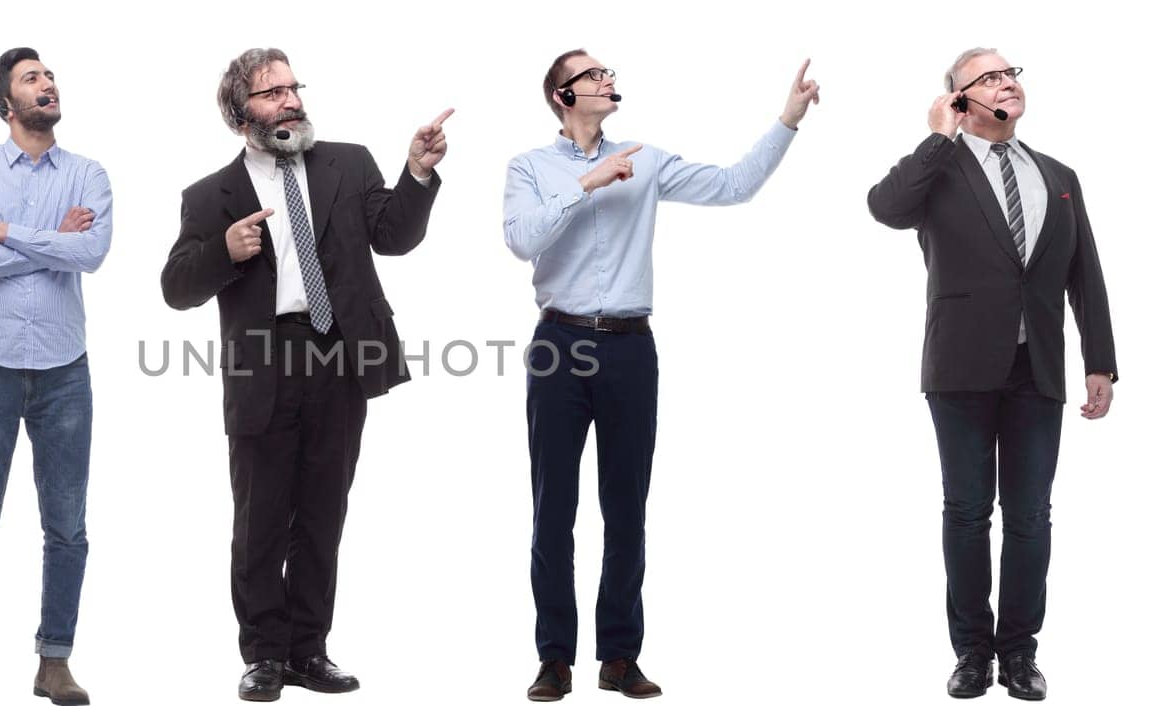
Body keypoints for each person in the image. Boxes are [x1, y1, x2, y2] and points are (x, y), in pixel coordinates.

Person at [504, 49, 819, 701]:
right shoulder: (528, 168)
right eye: (594, 75)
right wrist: (587, 184)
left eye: (608, 72)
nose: (608, 80)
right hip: (558, 343)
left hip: (628, 348)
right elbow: (521, 239)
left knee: (626, 509)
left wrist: (786, 121)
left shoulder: (646, 159)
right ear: (563, 96)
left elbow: (733, 185)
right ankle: (554, 658)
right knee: (552, 508)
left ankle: (619, 656)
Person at [161, 47, 449, 702]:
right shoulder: (211, 196)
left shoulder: (348, 161)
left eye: (294, 87)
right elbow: (176, 287)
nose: (291, 100)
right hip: (264, 363)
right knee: (261, 516)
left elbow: (394, 236)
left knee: (323, 511)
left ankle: (308, 651)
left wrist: (416, 174)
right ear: (241, 114)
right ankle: (263, 655)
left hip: (341, 356)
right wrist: (224, 251)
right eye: (272, 93)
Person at [867, 48, 1117, 701]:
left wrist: (1100, 362)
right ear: (960, 97)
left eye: (1012, 73)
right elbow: (885, 208)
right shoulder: (940, 167)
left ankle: (1021, 654)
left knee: (1032, 514)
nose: (1008, 81)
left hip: (1038, 368)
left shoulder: (1058, 174)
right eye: (990, 76)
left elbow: (1083, 274)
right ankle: (973, 653)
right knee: (968, 511)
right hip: (960, 365)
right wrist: (935, 137)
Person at [0, 47, 112, 706]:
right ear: (8, 102)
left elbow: (90, 252)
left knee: (67, 526)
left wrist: (6, 234)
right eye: (31, 79)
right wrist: (45, 237)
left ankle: (54, 662)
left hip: (65, 369)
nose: (47, 84)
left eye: (50, 76)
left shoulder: (89, 173)